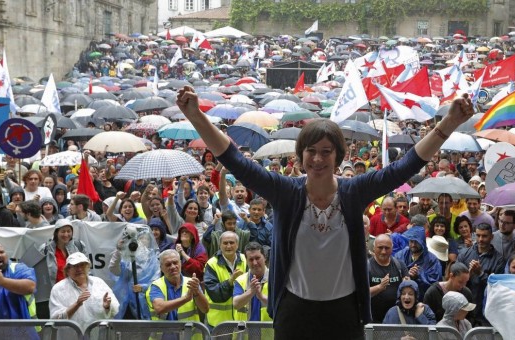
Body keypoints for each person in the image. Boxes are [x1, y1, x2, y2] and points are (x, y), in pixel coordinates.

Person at [177, 85, 475, 338]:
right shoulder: (285, 192)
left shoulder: (355, 191)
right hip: (294, 312)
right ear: (301, 155)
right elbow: (233, 159)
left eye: (326, 151)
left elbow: (406, 166)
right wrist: (196, 116)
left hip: (344, 313)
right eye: (311, 151)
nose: (317, 158)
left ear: (339, 156)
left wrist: (448, 123)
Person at [0, 243, 38, 338]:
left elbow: (30, 287)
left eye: (1, 252)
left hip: (19, 334)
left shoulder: (17, 268)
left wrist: (2, 281)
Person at [146, 249, 209, 338]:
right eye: (168, 264)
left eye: (175, 263)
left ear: (180, 263)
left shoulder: (192, 283)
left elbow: (205, 309)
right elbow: (159, 307)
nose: (172, 267)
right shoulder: (156, 286)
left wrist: (197, 292)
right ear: (161, 268)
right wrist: (186, 298)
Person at [49, 252, 119, 331]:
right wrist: (77, 304)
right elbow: (55, 321)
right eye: (75, 266)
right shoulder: (58, 289)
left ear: (88, 267)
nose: (79, 269)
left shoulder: (99, 283)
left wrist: (107, 307)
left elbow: (115, 309)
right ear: (67, 270)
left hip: (97, 335)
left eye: (82, 265)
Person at [35, 219, 87, 319]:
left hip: (75, 292)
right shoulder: (45, 248)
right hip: (54, 293)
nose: (66, 234)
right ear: (56, 232)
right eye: (63, 231)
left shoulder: (79, 246)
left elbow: (87, 268)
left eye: (69, 231)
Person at [457, 223, 504, 326]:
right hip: (465, 309)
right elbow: (455, 281)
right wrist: (467, 275)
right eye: (478, 235)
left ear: (491, 237)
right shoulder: (464, 254)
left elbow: (497, 286)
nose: (480, 239)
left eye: (484, 236)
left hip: (485, 312)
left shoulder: (498, 259)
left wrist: (481, 273)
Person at [109, 227, 160, 320]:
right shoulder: (127, 256)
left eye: (147, 238)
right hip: (126, 301)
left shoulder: (153, 259)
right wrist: (119, 251)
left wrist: (143, 288)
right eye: (141, 238)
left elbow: (157, 280)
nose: (144, 241)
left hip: (146, 301)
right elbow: (114, 269)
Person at [203, 231, 247, 329]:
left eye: (231, 243)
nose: (228, 246)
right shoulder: (211, 264)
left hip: (241, 321)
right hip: (218, 323)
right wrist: (230, 281)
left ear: (237, 245)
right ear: (220, 245)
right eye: (225, 243)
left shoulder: (246, 260)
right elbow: (214, 292)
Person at [394, 225, 442, 301]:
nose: (413, 245)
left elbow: (435, 282)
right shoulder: (401, 255)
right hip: (402, 297)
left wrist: (419, 275)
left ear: (422, 242)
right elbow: (393, 272)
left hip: (423, 298)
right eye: (411, 241)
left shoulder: (432, 259)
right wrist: (405, 275)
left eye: (416, 242)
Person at [368, 234, 409, 323]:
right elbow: (361, 293)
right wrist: (379, 287)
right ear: (374, 248)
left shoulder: (400, 265)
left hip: (396, 318)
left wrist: (406, 285)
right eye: (380, 248)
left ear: (392, 249)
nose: (383, 251)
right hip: (373, 319)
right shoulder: (367, 267)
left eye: (387, 248)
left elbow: (409, 291)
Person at [233, 242, 272, 322]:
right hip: (245, 333)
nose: (255, 263)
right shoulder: (240, 280)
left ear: (264, 257)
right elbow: (236, 304)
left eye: (257, 258)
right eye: (251, 259)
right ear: (246, 261)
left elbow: (281, 306)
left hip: (268, 332)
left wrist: (261, 296)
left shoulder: (275, 279)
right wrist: (251, 292)